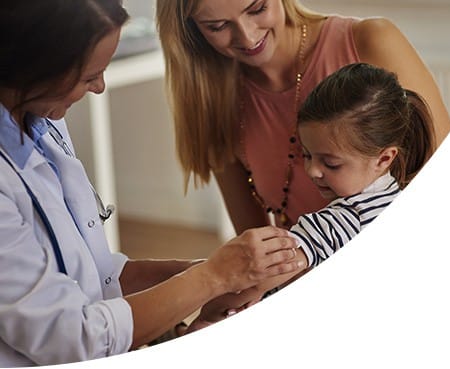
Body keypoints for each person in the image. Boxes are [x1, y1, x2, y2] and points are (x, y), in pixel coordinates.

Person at [0, 1, 304, 366]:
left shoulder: (39, 122)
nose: (99, 87)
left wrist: (209, 273)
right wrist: (212, 278)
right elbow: (70, 336)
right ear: (37, 67)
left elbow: (94, 277)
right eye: (88, 76)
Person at [155, 0, 450, 235]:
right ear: (191, 32)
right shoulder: (213, 100)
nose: (247, 36)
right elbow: (254, 241)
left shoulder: (371, 40)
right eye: (218, 26)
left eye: (257, 8)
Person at [183, 61, 436, 333]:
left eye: (331, 163)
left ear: (384, 158)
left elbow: (254, 280)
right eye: (307, 155)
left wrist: (209, 314)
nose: (313, 170)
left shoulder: (337, 223)